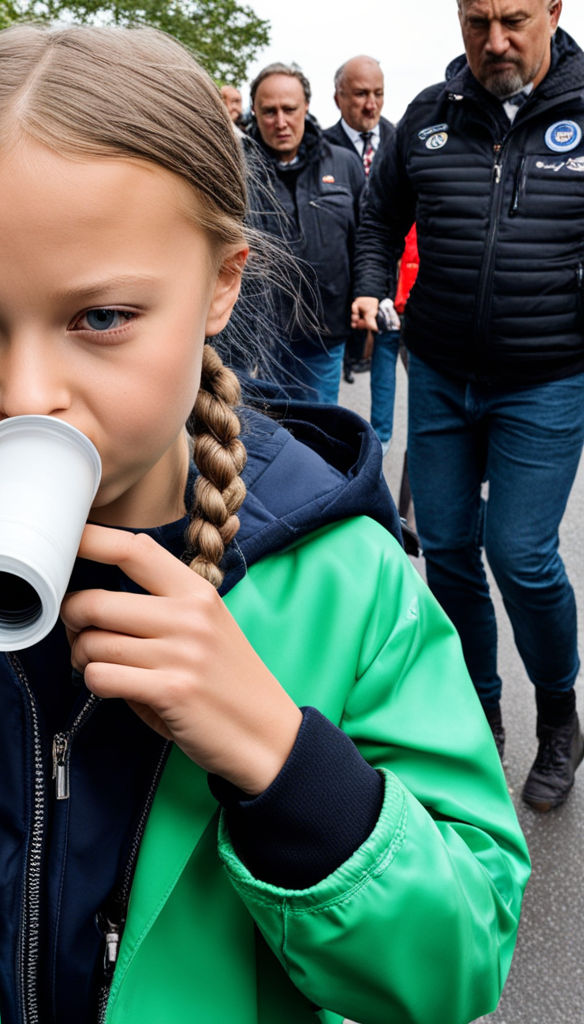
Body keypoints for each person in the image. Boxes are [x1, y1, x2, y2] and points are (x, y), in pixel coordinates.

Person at [0, 24, 528, 1024]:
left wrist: (277, 755)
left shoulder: (342, 580)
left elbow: (452, 965)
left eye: (99, 318)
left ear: (221, 282)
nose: (30, 392)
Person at [353, 0, 584, 811]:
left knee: (521, 556)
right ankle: (477, 714)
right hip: (443, 375)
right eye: (476, 19)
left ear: (554, 9)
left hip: (547, 379)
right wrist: (371, 281)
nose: (495, 41)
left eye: (514, 19)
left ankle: (560, 715)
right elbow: (380, 216)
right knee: (447, 550)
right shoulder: (428, 115)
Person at [246, 63, 365, 404]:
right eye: (269, 112)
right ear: (254, 111)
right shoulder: (238, 168)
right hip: (258, 333)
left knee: (317, 428)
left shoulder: (343, 163)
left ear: (306, 107)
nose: (280, 122)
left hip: (324, 329)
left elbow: (365, 240)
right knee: (264, 433)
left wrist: (368, 295)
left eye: (289, 109)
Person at [323, 57, 403, 452]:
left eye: (378, 94)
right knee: (329, 371)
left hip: (387, 284)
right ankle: (329, 453)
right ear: (338, 98)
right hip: (334, 286)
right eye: (360, 94)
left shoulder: (400, 142)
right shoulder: (320, 149)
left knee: (384, 362)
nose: (371, 104)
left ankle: (380, 446)